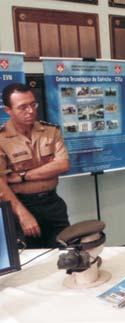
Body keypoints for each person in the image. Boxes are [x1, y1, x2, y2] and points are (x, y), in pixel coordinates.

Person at [0, 83, 71, 248]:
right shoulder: (2, 139)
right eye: (23, 107)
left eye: (33, 104)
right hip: (20, 206)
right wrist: (22, 214)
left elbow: (62, 164)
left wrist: (22, 176)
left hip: (52, 204)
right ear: (8, 110)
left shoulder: (50, 131)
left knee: (66, 254)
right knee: (29, 261)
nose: (30, 111)